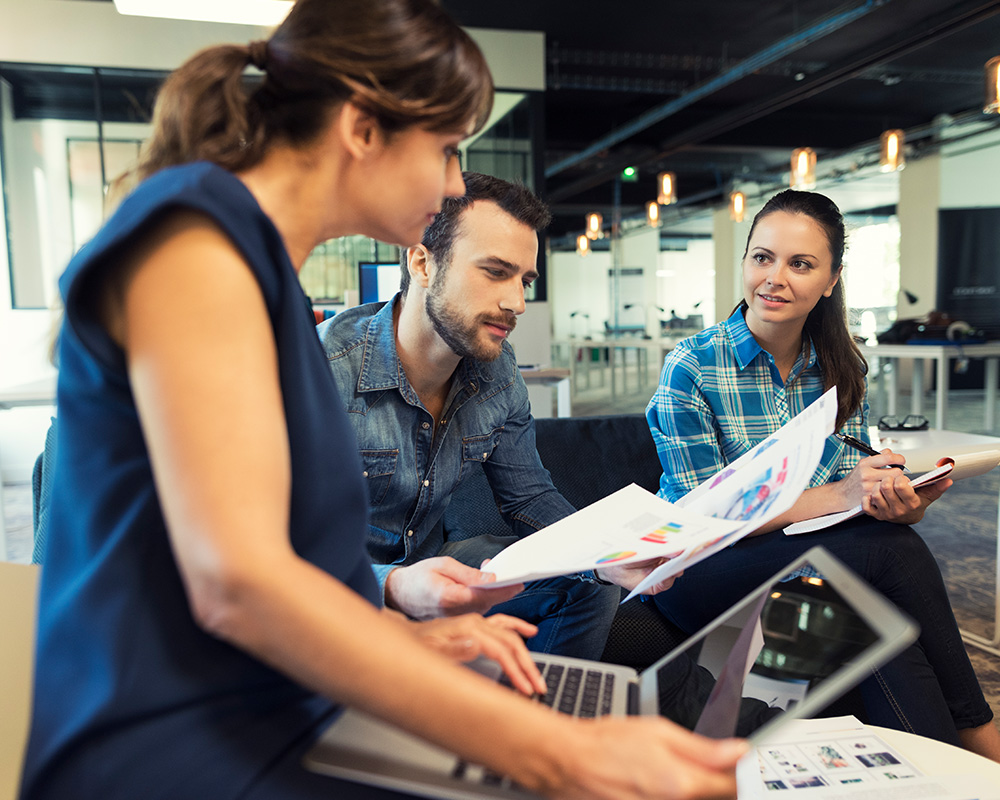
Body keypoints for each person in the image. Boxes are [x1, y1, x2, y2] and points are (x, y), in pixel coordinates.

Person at [18, 2, 748, 798]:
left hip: (269, 701)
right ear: (363, 127)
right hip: (177, 738)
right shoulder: (197, 243)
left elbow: (261, 552)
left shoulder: (259, 274)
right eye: (442, 148)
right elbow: (238, 585)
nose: (453, 181)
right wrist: (557, 752)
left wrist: (393, 603)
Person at [646, 188, 1000, 761]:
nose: (774, 277)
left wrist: (891, 499)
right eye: (762, 257)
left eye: (800, 263)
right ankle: (981, 737)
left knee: (884, 622)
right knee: (894, 553)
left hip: (808, 563)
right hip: (698, 572)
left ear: (831, 279)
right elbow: (701, 515)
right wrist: (837, 495)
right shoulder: (692, 366)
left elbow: (847, 493)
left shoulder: (838, 365)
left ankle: (951, 774)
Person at [317, 172, 672, 660]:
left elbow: (529, 497)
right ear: (422, 263)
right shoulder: (322, 370)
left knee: (588, 582)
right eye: (494, 271)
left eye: (524, 280)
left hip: (431, 568)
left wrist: (606, 555)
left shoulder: (497, 374)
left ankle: (546, 717)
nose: (517, 303)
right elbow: (271, 552)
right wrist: (393, 585)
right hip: (331, 592)